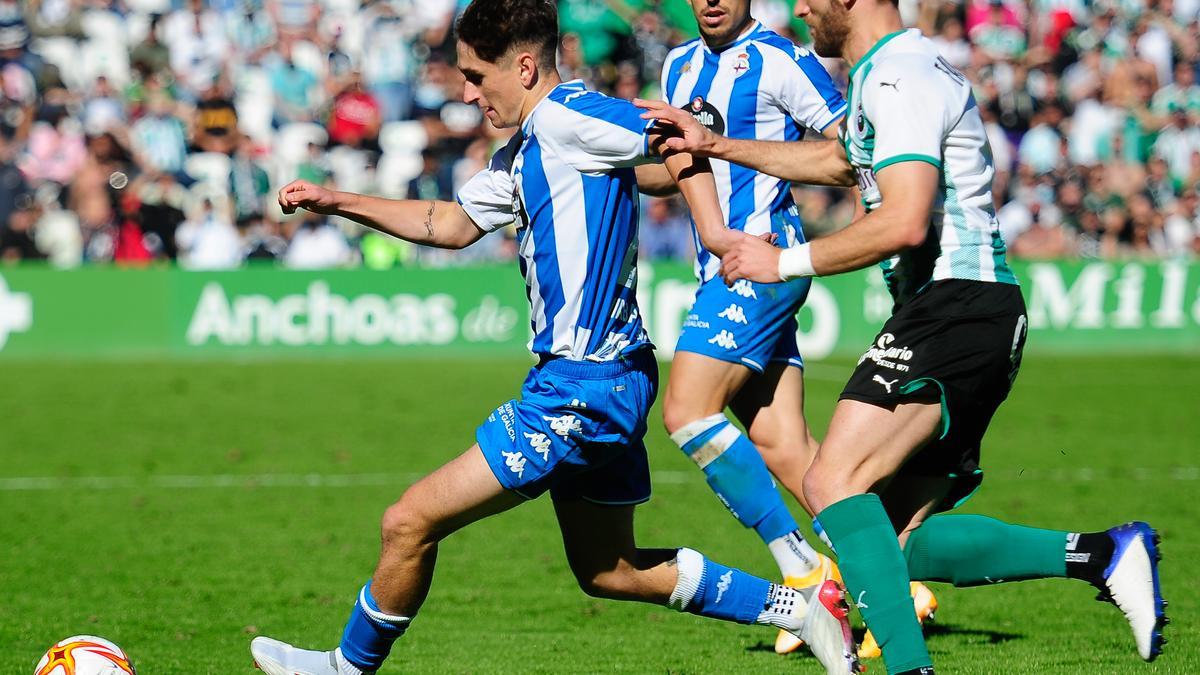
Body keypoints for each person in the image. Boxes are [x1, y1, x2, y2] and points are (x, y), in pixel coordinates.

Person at [248, 2, 860, 674]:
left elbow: (675, 133)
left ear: (526, 66)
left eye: (477, 77)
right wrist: (338, 201)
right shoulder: (526, 146)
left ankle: (343, 667)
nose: (467, 92)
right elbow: (446, 224)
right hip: (606, 375)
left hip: (583, 384)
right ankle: (802, 608)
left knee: (407, 520)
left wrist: (714, 234)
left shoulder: (573, 115)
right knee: (609, 568)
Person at [638, 0, 1167, 672]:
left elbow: (907, 220)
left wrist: (784, 261)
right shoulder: (882, 76)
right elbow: (836, 162)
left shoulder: (899, 77)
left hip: (956, 305)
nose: (801, 8)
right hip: (961, 311)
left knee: (830, 480)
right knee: (884, 540)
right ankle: (1102, 553)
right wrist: (717, 146)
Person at [633, 0, 934, 658]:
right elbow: (680, 169)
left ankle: (806, 571)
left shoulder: (783, 59)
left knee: (685, 410)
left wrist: (886, 248)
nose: (711, 1)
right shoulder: (680, 65)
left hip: (762, 261)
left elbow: (848, 150)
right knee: (786, 447)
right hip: (720, 269)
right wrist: (608, 168)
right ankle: (890, 581)